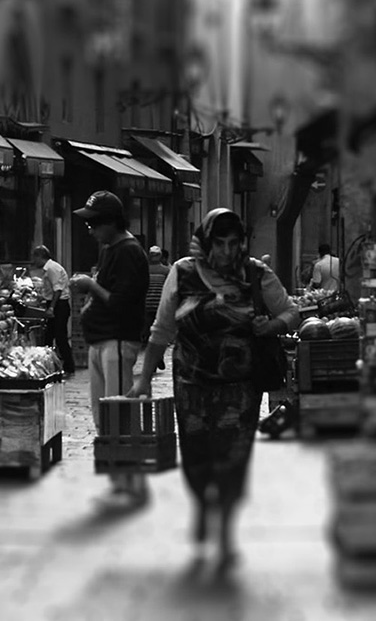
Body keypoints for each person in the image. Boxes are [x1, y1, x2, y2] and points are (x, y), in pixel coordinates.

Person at [127, 208, 300, 568]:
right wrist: (143, 378)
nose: (226, 251)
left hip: (241, 389)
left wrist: (271, 326)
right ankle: (203, 506)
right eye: (219, 244)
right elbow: (162, 329)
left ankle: (225, 532)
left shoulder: (256, 273)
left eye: (233, 243)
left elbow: (290, 313)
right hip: (191, 385)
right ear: (206, 243)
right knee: (196, 456)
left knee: (233, 459)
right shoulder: (183, 272)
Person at [70, 191, 150, 509]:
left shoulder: (128, 252)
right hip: (102, 341)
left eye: (94, 224)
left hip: (116, 340)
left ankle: (130, 484)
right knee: (105, 415)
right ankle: (119, 482)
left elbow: (121, 302)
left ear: (111, 223)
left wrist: (91, 286)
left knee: (118, 415)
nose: (90, 230)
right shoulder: (110, 250)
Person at [31, 245, 76, 376]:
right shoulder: (48, 268)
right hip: (54, 303)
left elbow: (58, 290)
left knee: (60, 337)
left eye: (35, 257)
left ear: (40, 256)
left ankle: (69, 367)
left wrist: (51, 307)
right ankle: (49, 366)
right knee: (49, 337)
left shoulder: (52, 268)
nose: (34, 261)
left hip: (59, 305)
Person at [143, 246, 171, 369]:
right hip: (157, 306)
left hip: (150, 306)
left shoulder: (145, 270)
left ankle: (155, 359)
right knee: (158, 334)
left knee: (150, 334)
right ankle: (158, 358)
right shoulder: (166, 271)